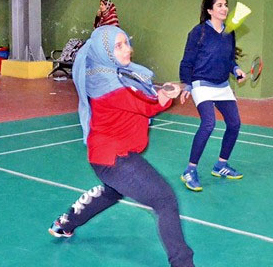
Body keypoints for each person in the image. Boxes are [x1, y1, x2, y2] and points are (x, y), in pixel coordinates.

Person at [48, 25, 194, 267]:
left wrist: (163, 92)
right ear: (103, 50)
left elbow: (140, 94)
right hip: (115, 159)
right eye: (119, 45)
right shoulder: (108, 85)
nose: (128, 49)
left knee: (113, 190)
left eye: (126, 42)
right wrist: (168, 94)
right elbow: (147, 104)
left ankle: (66, 223)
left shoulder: (106, 73)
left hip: (105, 157)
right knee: (165, 200)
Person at [178, 0, 245, 192]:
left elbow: (229, 58)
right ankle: (190, 170)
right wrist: (187, 84)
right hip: (202, 83)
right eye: (219, 5)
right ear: (209, 11)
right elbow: (187, 61)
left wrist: (235, 69)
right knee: (208, 123)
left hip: (222, 85)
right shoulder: (198, 32)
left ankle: (221, 165)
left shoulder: (229, 32)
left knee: (234, 123)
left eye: (226, 5)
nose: (224, 8)